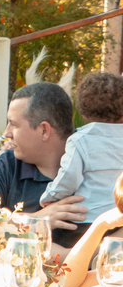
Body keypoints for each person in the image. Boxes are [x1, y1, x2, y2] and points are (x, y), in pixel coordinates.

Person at [0, 81, 85, 249]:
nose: (6, 133)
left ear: (44, 130)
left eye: (14, 124)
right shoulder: (10, 165)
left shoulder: (97, 163)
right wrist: (34, 221)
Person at [40, 72, 123, 223]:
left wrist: (50, 196)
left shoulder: (80, 140)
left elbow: (69, 176)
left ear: (84, 110)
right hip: (119, 217)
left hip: (87, 219)